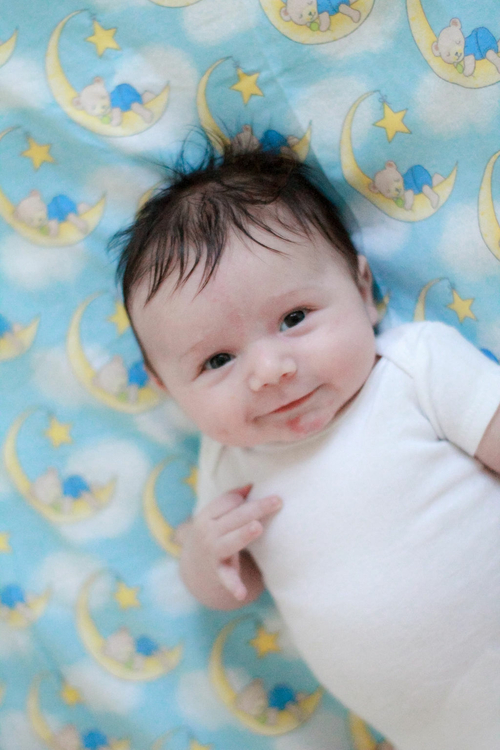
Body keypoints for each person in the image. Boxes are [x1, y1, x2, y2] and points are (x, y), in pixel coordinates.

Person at [112, 140, 500, 750]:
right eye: (218, 360)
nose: (269, 371)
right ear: (167, 388)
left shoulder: (412, 368)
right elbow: (232, 588)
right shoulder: (228, 465)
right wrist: (203, 555)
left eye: (294, 318)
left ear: (364, 290)